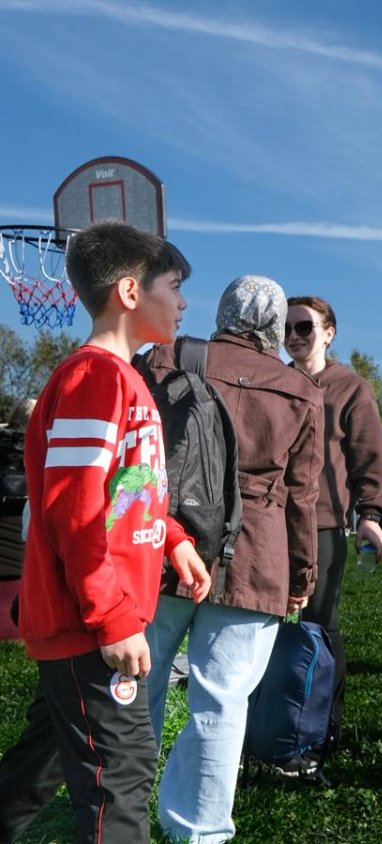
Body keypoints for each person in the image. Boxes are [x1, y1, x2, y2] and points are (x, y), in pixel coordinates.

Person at [8, 222, 211, 843]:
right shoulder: (94, 378)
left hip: (92, 619)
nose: (182, 303)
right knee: (118, 781)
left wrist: (173, 535)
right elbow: (76, 513)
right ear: (129, 292)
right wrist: (113, 619)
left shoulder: (122, 378)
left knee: (37, 772)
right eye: (174, 288)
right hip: (89, 623)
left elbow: (124, 494)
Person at [142, 275, 324, 842]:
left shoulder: (168, 358)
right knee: (221, 703)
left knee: (135, 683)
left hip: (167, 540)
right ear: (272, 326)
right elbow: (302, 495)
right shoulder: (300, 390)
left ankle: (113, 808)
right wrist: (302, 574)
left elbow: (136, 450)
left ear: (223, 311)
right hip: (256, 552)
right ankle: (200, 831)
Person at [281, 294, 382, 774]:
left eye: (304, 327)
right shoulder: (274, 380)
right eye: (286, 328)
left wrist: (370, 513)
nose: (294, 337)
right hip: (268, 521)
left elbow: (370, 456)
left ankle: (321, 735)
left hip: (323, 525)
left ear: (329, 332)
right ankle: (271, 731)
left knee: (319, 629)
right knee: (263, 629)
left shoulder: (350, 388)